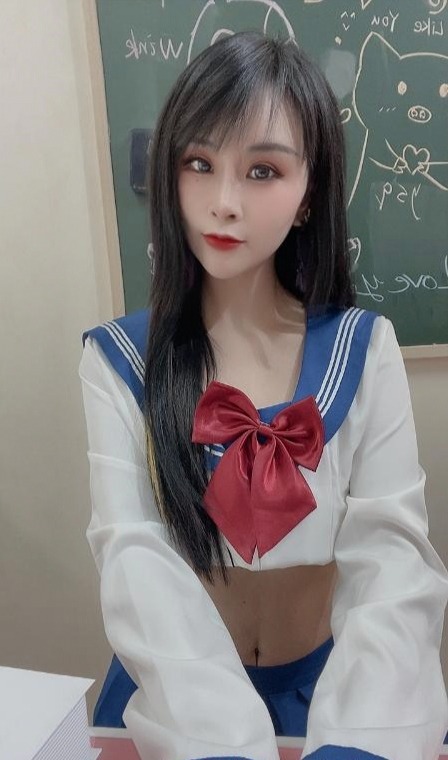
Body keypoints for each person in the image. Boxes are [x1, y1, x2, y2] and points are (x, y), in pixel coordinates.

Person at [79, 32, 448, 760]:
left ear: (308, 195)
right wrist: (217, 741)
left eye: (263, 171)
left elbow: (392, 563)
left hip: (339, 699)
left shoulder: (364, 348)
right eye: (199, 163)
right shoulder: (119, 360)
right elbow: (136, 562)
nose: (223, 202)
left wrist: (358, 740)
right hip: (178, 710)